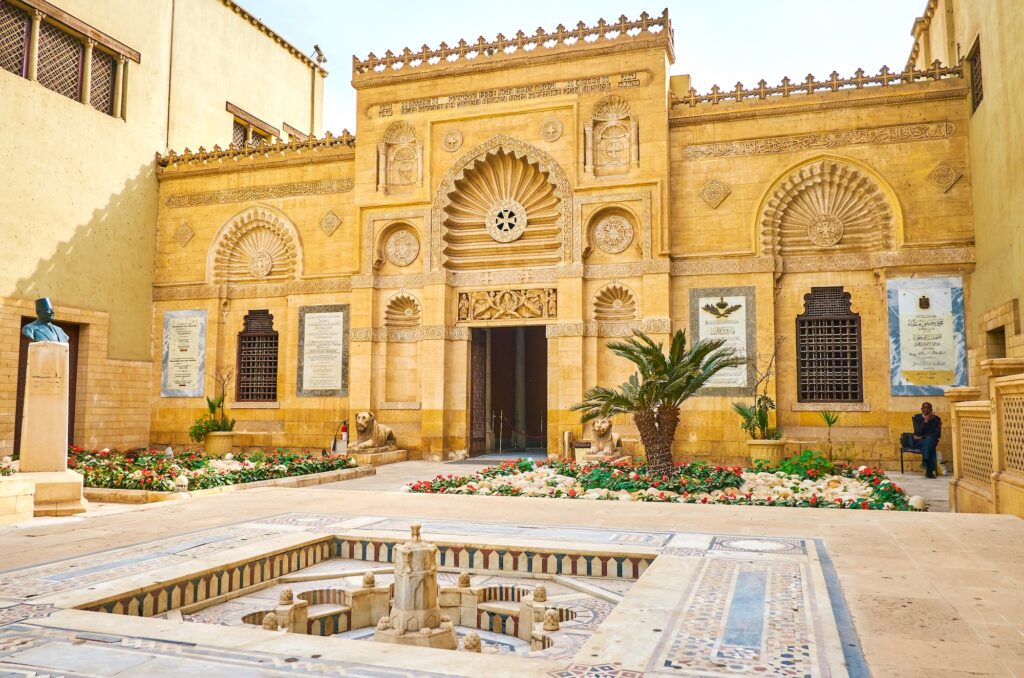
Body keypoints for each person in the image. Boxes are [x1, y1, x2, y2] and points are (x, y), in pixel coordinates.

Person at [912, 402, 942, 478]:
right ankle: (930, 470)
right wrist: (925, 421)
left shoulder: (936, 419)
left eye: (928, 408)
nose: (926, 410)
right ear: (921, 409)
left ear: (931, 410)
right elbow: (917, 432)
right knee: (930, 446)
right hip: (919, 442)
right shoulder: (916, 418)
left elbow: (937, 434)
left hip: (929, 440)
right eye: (924, 408)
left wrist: (922, 437)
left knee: (929, 441)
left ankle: (925, 462)